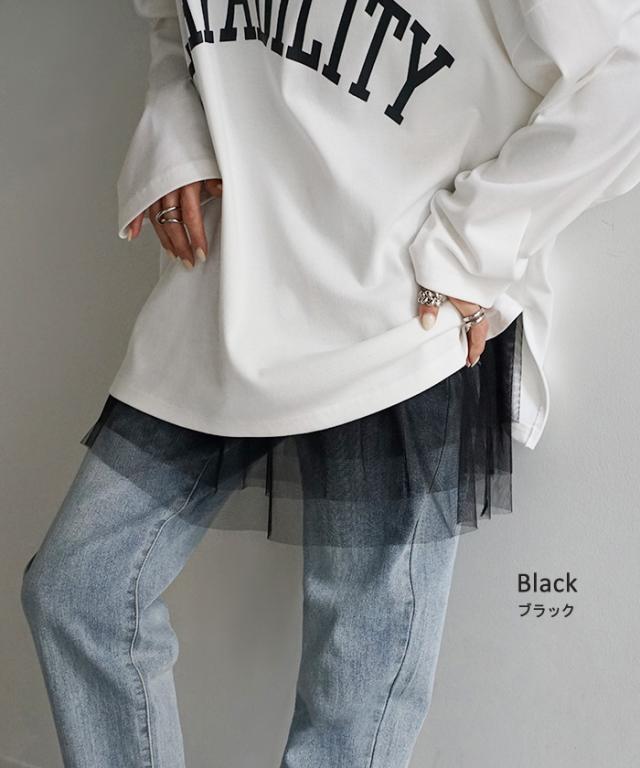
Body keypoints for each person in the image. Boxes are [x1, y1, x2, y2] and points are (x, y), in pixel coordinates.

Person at [20, 1, 640, 766]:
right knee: (77, 590)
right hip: (227, 286)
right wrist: (176, 132)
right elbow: (175, 21)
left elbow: (625, 74)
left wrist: (475, 247)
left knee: (351, 705)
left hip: (397, 316)